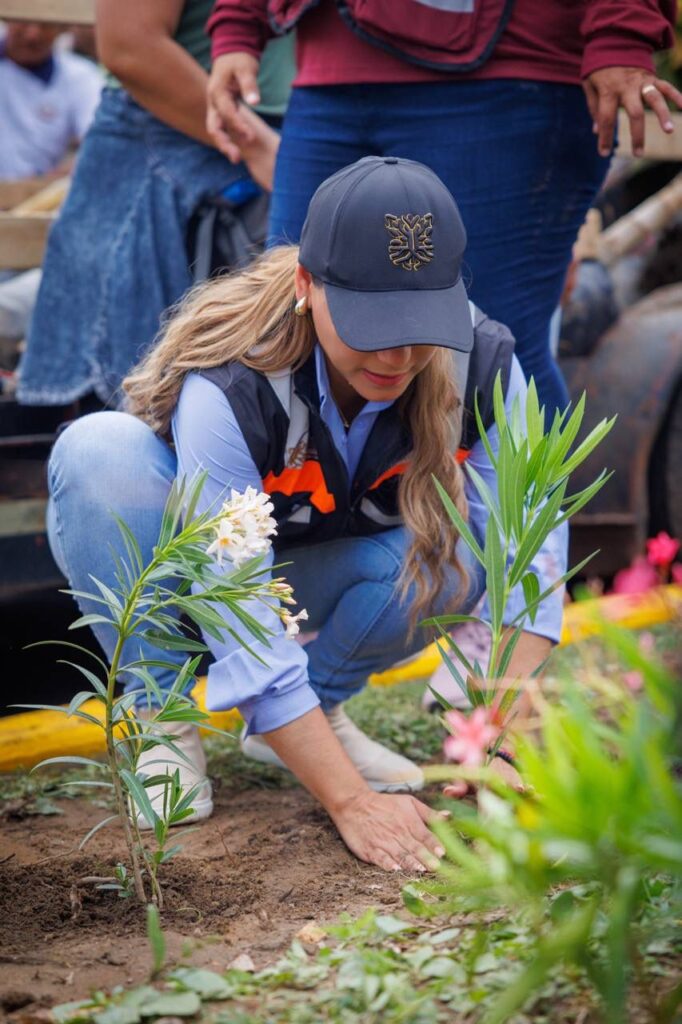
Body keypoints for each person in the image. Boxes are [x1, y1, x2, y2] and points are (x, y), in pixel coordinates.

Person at [47, 157, 566, 872]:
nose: (399, 354)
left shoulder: (478, 360)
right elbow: (235, 602)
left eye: (418, 322)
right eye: (372, 323)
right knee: (97, 450)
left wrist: (501, 738)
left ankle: (315, 708)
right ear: (306, 287)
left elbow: (533, 548)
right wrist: (352, 803)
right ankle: (162, 714)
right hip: (179, 567)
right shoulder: (235, 377)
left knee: (456, 562)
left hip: (309, 563)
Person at [204, 0, 680, 417]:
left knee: (491, 356)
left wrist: (623, 27)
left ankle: (522, 522)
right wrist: (239, 21)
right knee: (290, 333)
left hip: (507, 67)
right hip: (330, 62)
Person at [16, 0, 293, 408]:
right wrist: (252, 143)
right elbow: (129, 44)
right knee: (123, 420)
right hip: (172, 145)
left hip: (260, 143)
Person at [0, 20, 102, 354]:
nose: (33, 34)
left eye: (46, 25)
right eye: (24, 21)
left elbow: (98, 145)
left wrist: (68, 173)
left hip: (39, 220)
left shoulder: (79, 76)